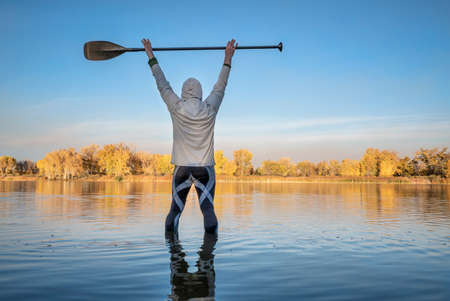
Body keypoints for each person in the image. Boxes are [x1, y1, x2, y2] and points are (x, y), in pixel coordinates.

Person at [141, 38, 237, 234]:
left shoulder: (176, 107)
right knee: (208, 210)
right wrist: (227, 58)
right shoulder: (210, 108)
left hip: (182, 169)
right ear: (201, 93)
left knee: (175, 211)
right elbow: (221, 86)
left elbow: (162, 84)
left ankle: (173, 254)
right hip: (205, 169)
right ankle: (208, 257)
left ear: (184, 93)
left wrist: (150, 55)